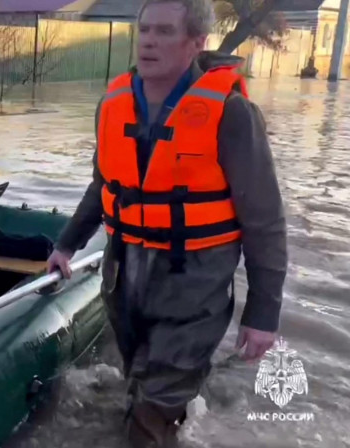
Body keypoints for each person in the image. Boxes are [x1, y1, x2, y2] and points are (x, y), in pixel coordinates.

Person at [46, 1, 288, 446]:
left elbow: (266, 221)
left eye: (163, 31)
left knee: (150, 414)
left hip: (194, 283)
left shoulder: (231, 115)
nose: (149, 41)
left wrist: (263, 313)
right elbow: (104, 185)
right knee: (136, 382)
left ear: (197, 42)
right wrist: (66, 245)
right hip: (124, 276)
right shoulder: (113, 104)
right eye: (144, 31)